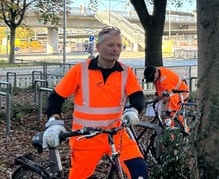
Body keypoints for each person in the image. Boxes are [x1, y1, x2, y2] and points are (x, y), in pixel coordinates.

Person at [42, 26, 149, 179]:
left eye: (119, 45)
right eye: (110, 45)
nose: (116, 49)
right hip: (86, 138)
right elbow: (56, 97)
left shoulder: (126, 71)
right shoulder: (80, 70)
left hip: (116, 134)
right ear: (98, 47)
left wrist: (134, 109)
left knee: (140, 171)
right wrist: (54, 121)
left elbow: (137, 95)